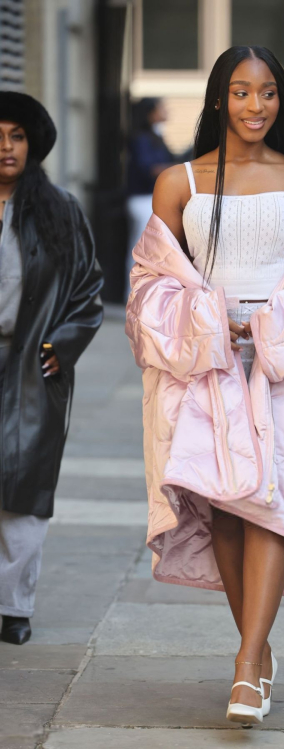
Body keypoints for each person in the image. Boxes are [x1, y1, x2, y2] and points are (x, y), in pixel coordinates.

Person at [126, 46, 284, 726]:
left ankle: (245, 666)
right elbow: (150, 286)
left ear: (282, 102)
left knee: (268, 499)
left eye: (268, 93)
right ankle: (257, 646)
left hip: (282, 367)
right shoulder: (176, 182)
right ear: (218, 100)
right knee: (224, 508)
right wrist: (210, 322)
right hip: (208, 366)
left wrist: (277, 323)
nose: (255, 106)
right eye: (241, 93)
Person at [0, 92, 103, 645]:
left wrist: (61, 346)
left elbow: (88, 289)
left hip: (31, 367)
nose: (6, 146)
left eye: (16, 135)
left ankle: (13, 607)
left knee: (23, 491)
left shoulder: (58, 209)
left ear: (32, 143)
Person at [125, 98, 175, 294]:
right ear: (150, 113)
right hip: (143, 198)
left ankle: (145, 292)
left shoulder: (156, 136)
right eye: (161, 107)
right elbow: (150, 168)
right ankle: (133, 292)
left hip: (151, 199)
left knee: (152, 249)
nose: (165, 110)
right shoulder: (141, 138)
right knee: (141, 249)